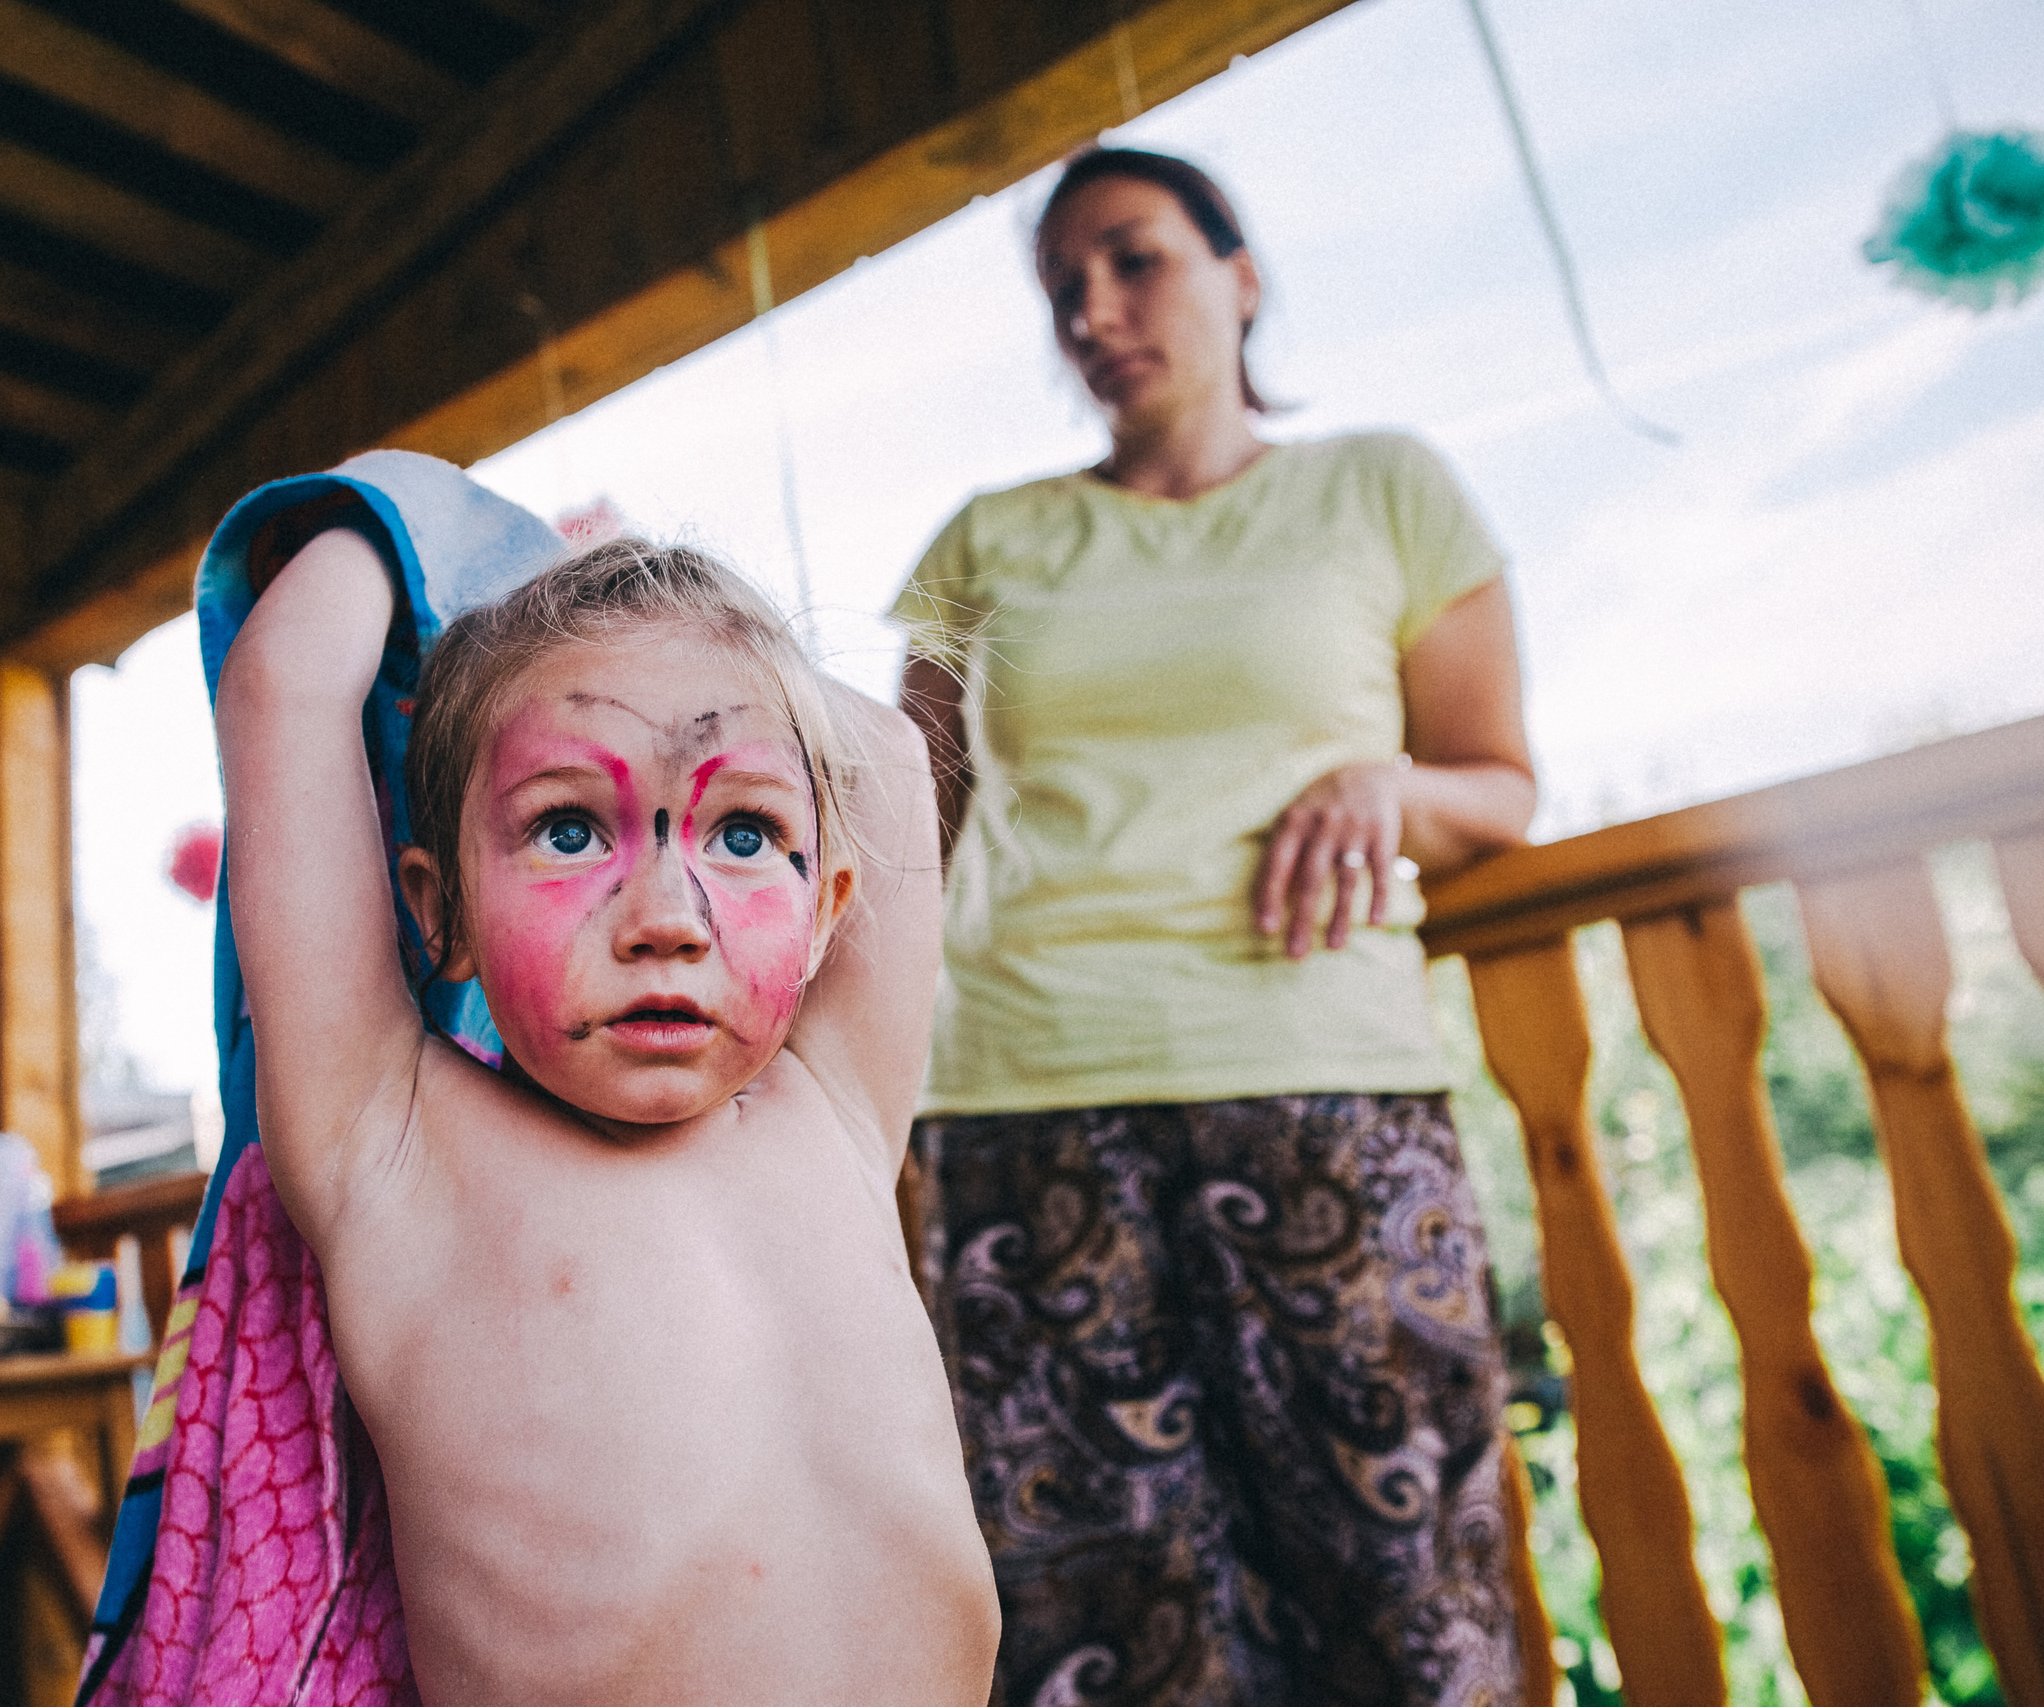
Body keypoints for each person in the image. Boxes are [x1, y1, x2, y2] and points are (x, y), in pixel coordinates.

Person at [893, 147, 1538, 1706]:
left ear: (1241, 277)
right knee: (1109, 1631)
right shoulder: (986, 538)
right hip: (1023, 1107)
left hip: (1330, 1095)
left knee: (1411, 1605)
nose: (1095, 310)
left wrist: (1393, 784)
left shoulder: (1385, 487)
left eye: (1135, 259)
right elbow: (899, 829)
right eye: (1064, 287)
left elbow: (1500, 784)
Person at [216, 523, 1000, 1706]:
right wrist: (460, 537)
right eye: (568, 828)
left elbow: (888, 754)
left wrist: (639, 608)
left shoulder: (833, 1111)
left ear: (828, 908)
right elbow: (285, 681)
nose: (666, 918)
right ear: (439, 910)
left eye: (745, 833)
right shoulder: (394, 1150)